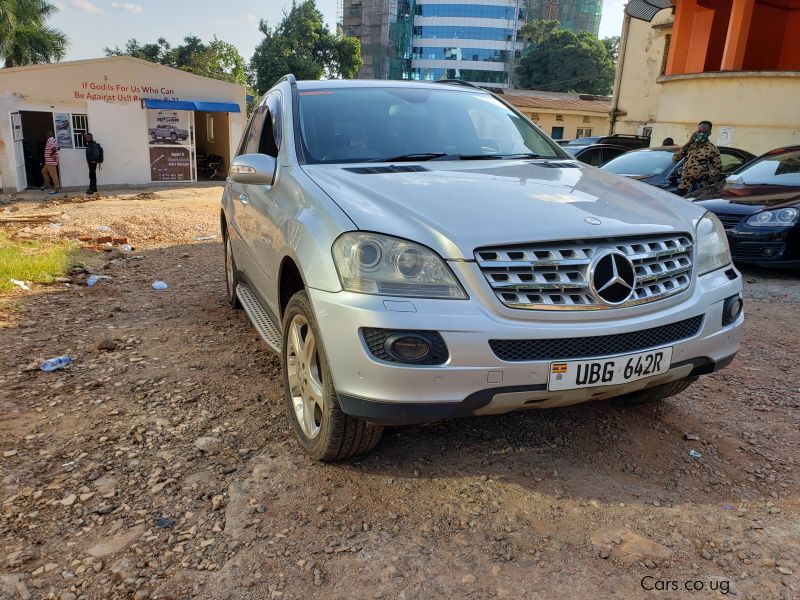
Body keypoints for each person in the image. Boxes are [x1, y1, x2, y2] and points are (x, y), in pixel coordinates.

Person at [673, 120, 721, 196]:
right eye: (699, 131)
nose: (701, 133)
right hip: (684, 185)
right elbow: (675, 159)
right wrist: (689, 142)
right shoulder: (690, 146)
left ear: (709, 133)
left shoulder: (712, 149)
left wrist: (705, 175)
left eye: (705, 132)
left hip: (700, 187)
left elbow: (718, 169)